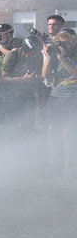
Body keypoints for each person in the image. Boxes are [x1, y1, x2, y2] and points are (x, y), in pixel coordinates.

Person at [42, 28, 77, 176]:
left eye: (65, 43)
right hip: (55, 96)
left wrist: (63, 59)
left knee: (69, 133)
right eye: (60, 43)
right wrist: (50, 57)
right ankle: (53, 164)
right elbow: (45, 75)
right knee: (52, 131)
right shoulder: (55, 56)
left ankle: (68, 168)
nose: (63, 46)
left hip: (71, 97)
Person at [0, 35, 44, 128]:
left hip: (29, 93)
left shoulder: (39, 55)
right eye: (33, 52)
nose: (35, 55)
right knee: (13, 123)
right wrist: (22, 79)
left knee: (29, 122)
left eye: (37, 52)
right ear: (25, 49)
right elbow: (3, 78)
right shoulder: (12, 55)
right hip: (12, 94)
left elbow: (39, 73)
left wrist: (39, 78)